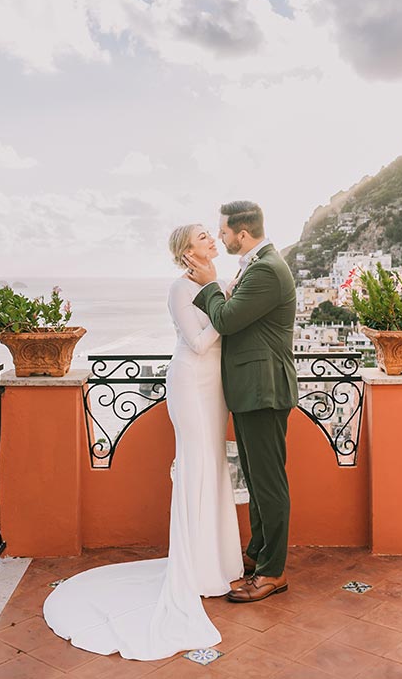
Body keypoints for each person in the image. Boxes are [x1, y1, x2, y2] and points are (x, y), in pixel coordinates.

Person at [41, 224, 243, 660]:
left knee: (213, 467)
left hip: (217, 389)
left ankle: (218, 565)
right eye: (203, 237)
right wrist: (225, 313)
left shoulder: (221, 282)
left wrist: (224, 300)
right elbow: (201, 341)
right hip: (191, 384)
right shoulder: (180, 289)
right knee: (196, 467)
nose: (212, 240)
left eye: (211, 235)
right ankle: (195, 569)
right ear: (187, 251)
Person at [185, 200, 298, 603]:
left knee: (268, 483)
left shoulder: (266, 268)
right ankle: (258, 554)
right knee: (255, 479)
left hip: (263, 389)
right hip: (253, 389)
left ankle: (273, 572)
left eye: (224, 231)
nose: (220, 236)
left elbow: (228, 319)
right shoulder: (257, 263)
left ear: (243, 234)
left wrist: (210, 285)